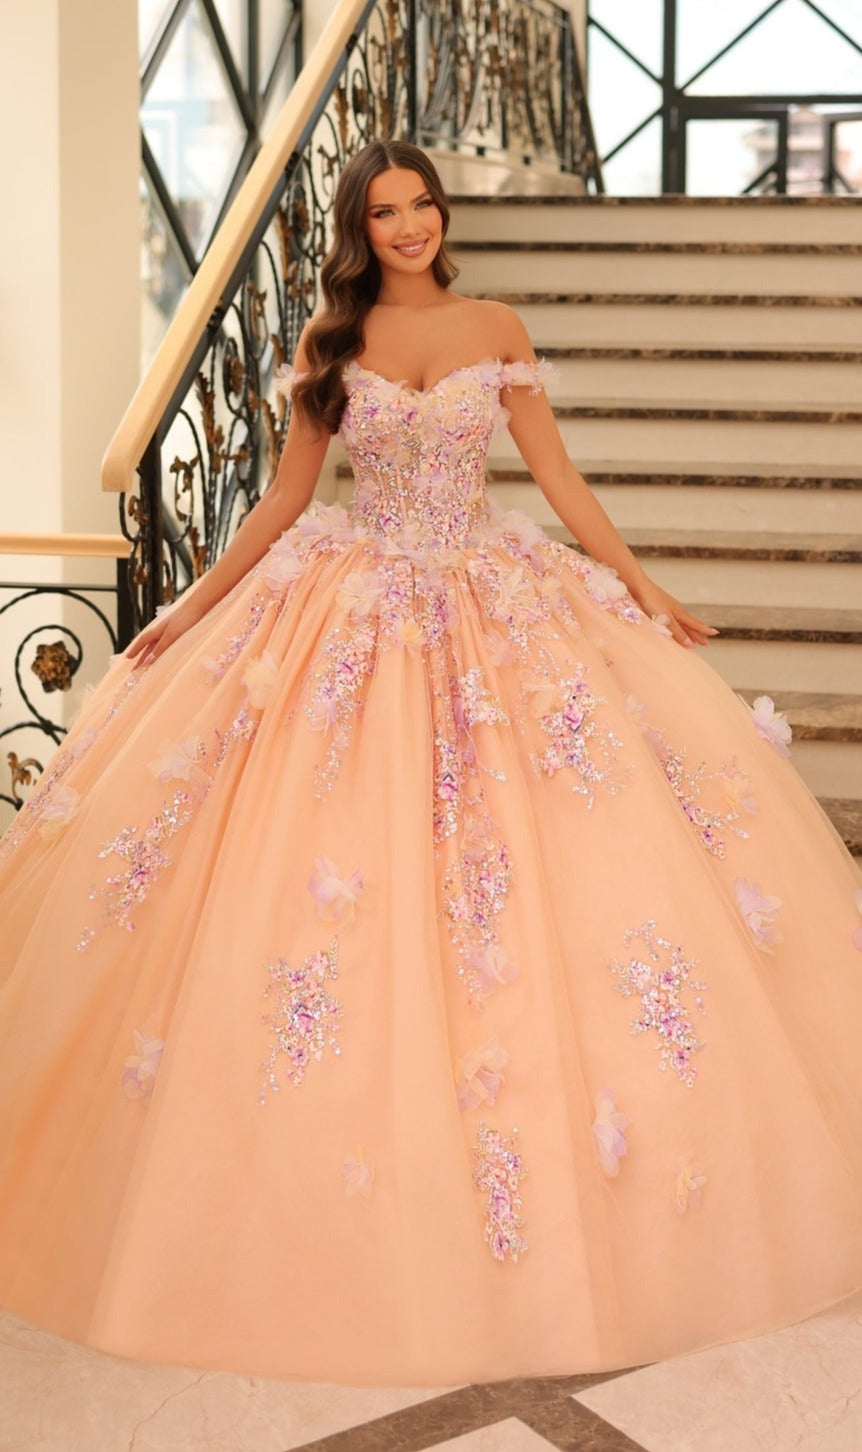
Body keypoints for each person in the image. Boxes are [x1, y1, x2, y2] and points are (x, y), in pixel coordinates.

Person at [0, 137, 860, 1390]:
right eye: (384, 210)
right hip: (351, 613)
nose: (408, 225)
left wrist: (638, 582)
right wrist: (187, 610)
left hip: (489, 598)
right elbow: (286, 502)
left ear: (442, 213)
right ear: (357, 226)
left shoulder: (492, 322)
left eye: (422, 205)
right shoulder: (329, 346)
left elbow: (554, 477)